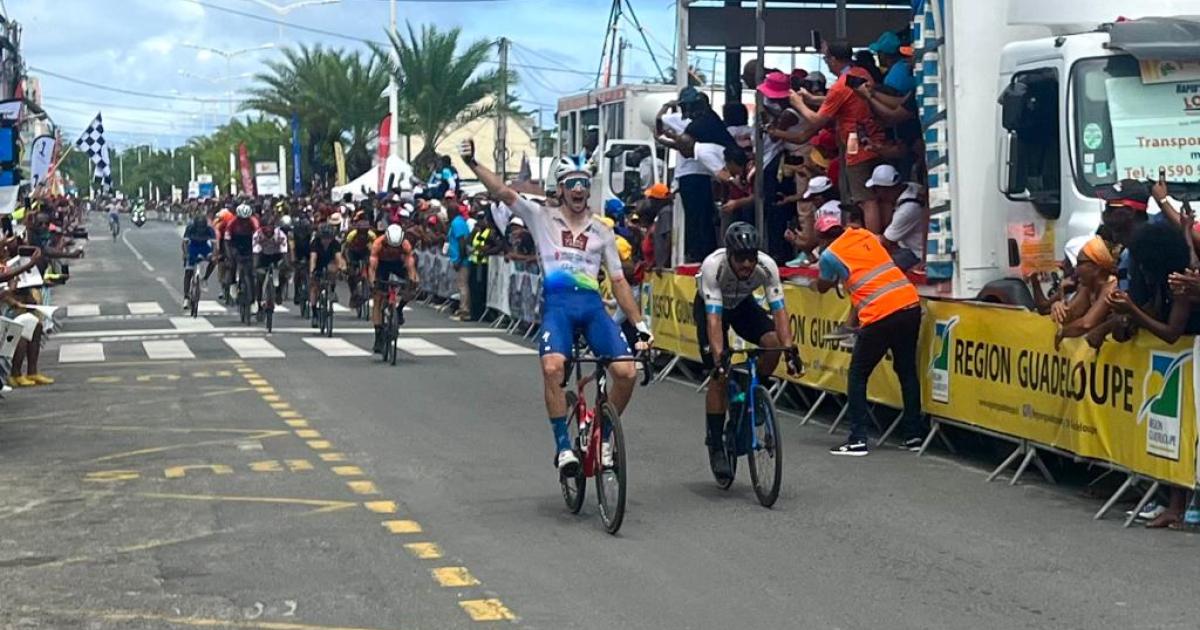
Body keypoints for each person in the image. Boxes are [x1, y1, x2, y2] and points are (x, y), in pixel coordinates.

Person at [460, 139, 652, 475]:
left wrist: (640, 325)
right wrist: (473, 162)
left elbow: (619, 283)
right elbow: (503, 193)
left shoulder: (603, 232)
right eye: (571, 183)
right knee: (552, 369)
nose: (579, 189)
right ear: (560, 189)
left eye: (584, 183)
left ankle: (605, 436)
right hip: (558, 307)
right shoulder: (540, 217)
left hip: (592, 308)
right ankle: (564, 447)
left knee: (627, 372)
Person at [694, 222, 800, 480]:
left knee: (773, 341)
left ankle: (756, 393)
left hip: (742, 305)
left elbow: (779, 311)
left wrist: (790, 350)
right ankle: (716, 444)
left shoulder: (767, 266)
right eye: (740, 259)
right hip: (711, 309)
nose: (746, 265)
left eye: (751, 258)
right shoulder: (713, 267)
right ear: (730, 255)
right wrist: (719, 359)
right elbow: (715, 321)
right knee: (719, 376)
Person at [814, 212, 923, 456]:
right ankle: (914, 434)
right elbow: (867, 283)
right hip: (909, 303)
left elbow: (823, 285)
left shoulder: (829, 255)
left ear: (820, 237)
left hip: (881, 314)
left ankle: (857, 439)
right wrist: (851, 324)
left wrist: (822, 282)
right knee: (906, 371)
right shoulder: (864, 236)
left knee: (857, 375)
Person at [790, 40, 888, 233]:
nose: (826, 62)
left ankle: (873, 240)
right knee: (875, 196)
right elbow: (840, 98)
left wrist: (798, 104)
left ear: (833, 60)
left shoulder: (839, 86)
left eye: (826, 58)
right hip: (872, 138)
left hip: (855, 145)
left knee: (865, 198)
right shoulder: (860, 73)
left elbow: (816, 120)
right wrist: (812, 99)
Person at [1050, 236, 1118, 350]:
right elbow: (1069, 316)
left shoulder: (1111, 287)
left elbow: (1086, 324)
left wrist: (1062, 332)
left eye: (1080, 263)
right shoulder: (1087, 287)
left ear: (1096, 266)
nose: (1075, 270)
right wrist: (1058, 305)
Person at [369, 224, 419, 353]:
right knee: (378, 298)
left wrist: (412, 278)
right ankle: (378, 335)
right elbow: (373, 267)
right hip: (382, 265)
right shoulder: (378, 243)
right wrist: (372, 281)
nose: (392, 248)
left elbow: (410, 263)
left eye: (395, 246)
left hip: (397, 264)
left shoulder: (405, 244)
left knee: (414, 284)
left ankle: (399, 308)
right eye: (390, 245)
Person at [867, 164, 925, 270]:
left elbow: (885, 241)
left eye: (876, 190)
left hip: (915, 253)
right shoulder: (912, 187)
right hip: (906, 246)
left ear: (884, 189)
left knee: (877, 268)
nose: (876, 195)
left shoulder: (907, 210)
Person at [252, 214, 289, 313]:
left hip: (277, 256)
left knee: (284, 272)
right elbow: (255, 254)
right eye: (265, 227)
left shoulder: (280, 235)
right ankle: (259, 301)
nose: (268, 230)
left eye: (270, 227)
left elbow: (284, 253)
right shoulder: (257, 235)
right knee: (259, 278)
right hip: (263, 256)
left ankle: (279, 292)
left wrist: (286, 266)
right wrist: (255, 267)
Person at [308, 223, 346, 318]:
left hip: (329, 262)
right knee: (314, 287)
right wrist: (312, 271)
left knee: (333, 270)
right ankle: (314, 312)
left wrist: (341, 268)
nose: (326, 240)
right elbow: (313, 258)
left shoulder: (335, 244)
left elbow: (338, 257)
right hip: (318, 263)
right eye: (324, 238)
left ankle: (332, 290)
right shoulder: (315, 243)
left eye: (328, 238)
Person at [182, 214, 216, 309]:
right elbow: (184, 243)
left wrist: (213, 255)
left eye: (203, 227)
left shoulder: (210, 229)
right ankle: (186, 297)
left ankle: (205, 278)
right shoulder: (190, 228)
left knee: (214, 261)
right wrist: (185, 254)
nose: (201, 229)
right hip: (192, 247)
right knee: (188, 272)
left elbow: (214, 245)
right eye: (199, 227)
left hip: (204, 247)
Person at [344, 213, 377, 309]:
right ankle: (353, 291)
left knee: (370, 264)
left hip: (364, 251)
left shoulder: (372, 235)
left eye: (365, 232)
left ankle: (369, 283)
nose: (362, 235)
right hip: (352, 251)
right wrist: (349, 261)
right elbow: (346, 249)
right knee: (351, 273)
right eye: (361, 232)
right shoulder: (351, 235)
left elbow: (375, 248)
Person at [446, 203, 473, 320]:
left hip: (461, 259)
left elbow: (462, 242)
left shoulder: (457, 223)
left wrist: (460, 260)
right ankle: (462, 307)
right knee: (460, 285)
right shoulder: (456, 222)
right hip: (456, 258)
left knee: (463, 285)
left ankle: (465, 310)